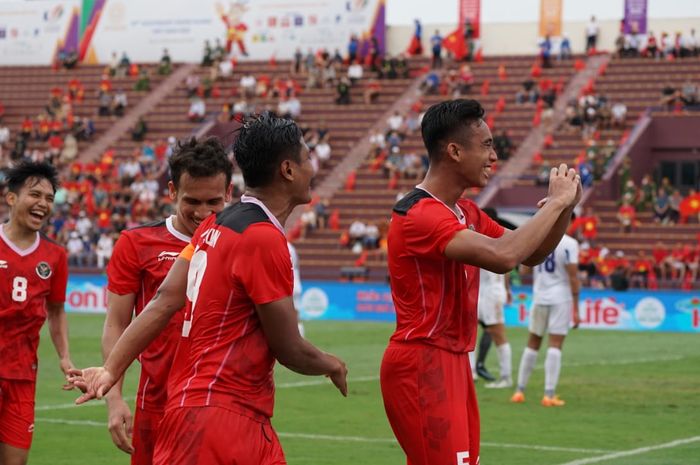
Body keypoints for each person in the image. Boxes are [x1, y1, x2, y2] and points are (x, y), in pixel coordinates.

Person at [69, 113, 348, 465]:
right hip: (221, 418)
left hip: (207, 411)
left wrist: (111, 369)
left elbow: (163, 300)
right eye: (308, 158)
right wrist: (332, 364)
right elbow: (289, 347)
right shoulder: (262, 238)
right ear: (288, 170)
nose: (314, 167)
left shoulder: (216, 225)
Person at [380, 99, 581, 465]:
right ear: (454, 151)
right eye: (486, 145)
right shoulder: (419, 214)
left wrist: (564, 209)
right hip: (423, 362)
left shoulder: (466, 212)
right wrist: (553, 205)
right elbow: (504, 258)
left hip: (452, 360)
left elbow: (529, 254)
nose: (494, 157)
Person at [100, 137, 233, 464]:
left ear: (229, 193)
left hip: (221, 405)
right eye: (192, 201)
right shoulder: (136, 243)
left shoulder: (242, 243)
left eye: (214, 201)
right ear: (172, 191)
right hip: (157, 406)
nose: (203, 213)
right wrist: (114, 399)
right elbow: (117, 323)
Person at [0, 161, 74, 465]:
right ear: (12, 197)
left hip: (22, 377)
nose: (43, 204)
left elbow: (56, 311)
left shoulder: (55, 255)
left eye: (49, 198)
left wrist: (65, 356)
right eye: (35, 195)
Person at [511, 232, 580, 407]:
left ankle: (519, 391)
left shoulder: (539, 238)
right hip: (561, 298)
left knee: (532, 343)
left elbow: (524, 269)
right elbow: (573, 276)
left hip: (539, 297)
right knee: (555, 344)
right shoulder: (570, 243)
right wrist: (577, 308)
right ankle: (549, 394)